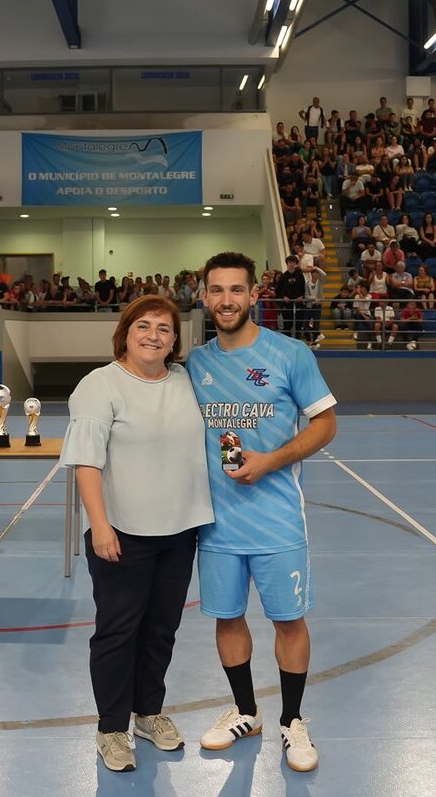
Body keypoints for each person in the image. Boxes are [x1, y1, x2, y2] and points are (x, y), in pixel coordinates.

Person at [186, 251, 337, 773]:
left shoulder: (290, 354)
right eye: (216, 290)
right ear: (204, 297)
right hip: (216, 524)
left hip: (276, 520)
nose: (226, 300)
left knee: (288, 621)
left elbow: (325, 425)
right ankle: (246, 711)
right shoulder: (195, 364)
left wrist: (272, 460)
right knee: (227, 618)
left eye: (236, 290)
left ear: (254, 295)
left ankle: (292, 721)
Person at [60, 295, 214, 773]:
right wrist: (100, 526)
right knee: (117, 632)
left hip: (179, 531)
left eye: (164, 329)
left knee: (161, 630)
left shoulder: (185, 381)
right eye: (143, 326)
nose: (153, 335)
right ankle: (111, 728)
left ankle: (147, 713)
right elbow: (86, 461)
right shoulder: (99, 385)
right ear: (125, 332)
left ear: (174, 340)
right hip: (122, 533)